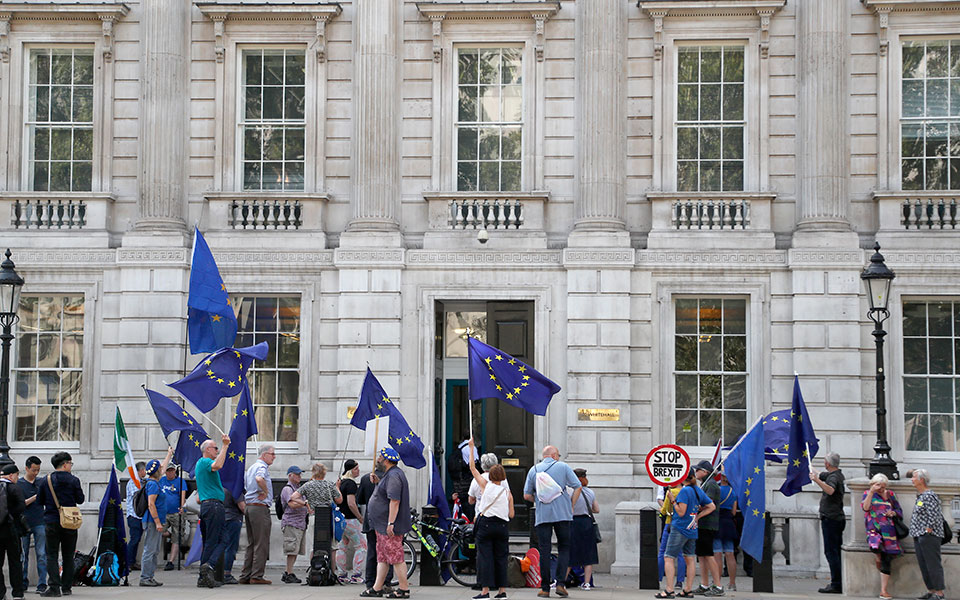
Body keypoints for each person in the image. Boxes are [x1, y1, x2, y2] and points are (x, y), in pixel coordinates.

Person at [523, 445, 581, 599]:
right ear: (554, 455)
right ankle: (560, 584)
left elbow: (526, 495)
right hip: (563, 514)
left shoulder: (534, 470)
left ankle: (545, 588)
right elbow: (578, 486)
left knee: (544, 550)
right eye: (558, 455)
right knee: (564, 548)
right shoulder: (563, 467)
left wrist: (539, 499)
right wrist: (571, 505)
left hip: (543, 515)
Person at [362, 447, 411, 599]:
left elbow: (394, 501)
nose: (377, 460)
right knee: (382, 557)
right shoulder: (388, 475)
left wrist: (391, 522)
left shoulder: (394, 476)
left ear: (387, 461)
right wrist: (378, 482)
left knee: (396, 557)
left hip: (388, 526)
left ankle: (403, 589)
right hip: (381, 525)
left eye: (380, 458)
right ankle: (377, 588)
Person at [467, 438, 513, 600]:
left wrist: (471, 448)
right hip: (502, 526)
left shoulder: (485, 486)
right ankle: (502, 591)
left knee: (485, 557)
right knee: (501, 557)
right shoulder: (507, 493)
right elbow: (511, 514)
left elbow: (472, 468)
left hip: (486, 524)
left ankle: (485, 591)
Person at [659, 471, 715, 599]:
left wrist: (673, 501)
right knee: (689, 558)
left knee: (669, 557)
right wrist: (698, 517)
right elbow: (711, 506)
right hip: (692, 528)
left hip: (680, 527)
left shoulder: (685, 491)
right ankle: (688, 589)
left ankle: (669, 590)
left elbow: (681, 511)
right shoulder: (697, 490)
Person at [36, 451, 84, 598]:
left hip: (51, 520)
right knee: (68, 555)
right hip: (70, 521)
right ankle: (67, 587)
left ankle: (54, 587)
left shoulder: (46, 480)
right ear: (65, 464)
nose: (71, 466)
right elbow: (80, 499)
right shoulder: (74, 480)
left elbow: (39, 501)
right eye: (70, 463)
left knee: (51, 555)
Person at [195, 434, 231, 589]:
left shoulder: (200, 464)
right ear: (207, 450)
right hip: (214, 506)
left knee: (209, 542)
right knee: (223, 539)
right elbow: (218, 465)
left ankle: (203, 577)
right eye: (215, 448)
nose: (217, 450)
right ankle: (209, 565)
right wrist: (225, 446)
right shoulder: (205, 462)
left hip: (207, 505)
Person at [860, 473, 902, 600]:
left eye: (883, 487)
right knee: (876, 549)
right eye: (879, 486)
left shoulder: (890, 494)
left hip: (889, 531)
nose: (881, 489)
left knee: (886, 558)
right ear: (873, 484)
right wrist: (872, 492)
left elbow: (899, 510)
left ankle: (883, 590)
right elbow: (865, 508)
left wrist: (893, 513)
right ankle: (878, 558)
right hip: (874, 529)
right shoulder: (868, 493)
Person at [240, 444, 276, 585]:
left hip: (250, 506)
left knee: (252, 543)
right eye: (272, 454)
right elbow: (259, 479)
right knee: (261, 543)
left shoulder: (251, 468)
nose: (274, 457)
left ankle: (246, 574)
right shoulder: (262, 467)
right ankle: (256, 575)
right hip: (259, 507)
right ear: (264, 454)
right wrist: (266, 492)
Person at [810, 451, 845, 594]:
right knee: (835, 551)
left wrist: (817, 481)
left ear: (827, 463)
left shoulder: (834, 477)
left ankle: (836, 584)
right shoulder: (835, 474)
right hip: (835, 518)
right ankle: (839, 581)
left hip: (831, 518)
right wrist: (809, 466)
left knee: (831, 552)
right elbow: (820, 474)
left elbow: (830, 490)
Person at [139, 448, 175, 587]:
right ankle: (145, 577)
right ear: (156, 471)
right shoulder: (153, 485)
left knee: (154, 550)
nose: (162, 469)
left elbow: (163, 467)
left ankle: (150, 576)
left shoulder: (155, 481)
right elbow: (151, 504)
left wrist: (169, 454)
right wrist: (158, 522)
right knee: (150, 550)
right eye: (159, 468)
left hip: (154, 521)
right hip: (152, 522)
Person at [357, 457, 393, 593]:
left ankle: (370, 582)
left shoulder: (366, 478)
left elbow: (360, 499)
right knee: (387, 553)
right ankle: (386, 582)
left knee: (372, 552)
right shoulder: (390, 478)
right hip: (385, 520)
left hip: (371, 519)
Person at [908, 469, 944, 600]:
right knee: (924, 565)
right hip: (919, 535)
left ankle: (939, 593)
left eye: (914, 477)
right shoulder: (921, 496)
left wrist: (928, 530)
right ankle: (931, 591)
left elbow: (934, 515)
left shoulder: (929, 495)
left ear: (921, 480)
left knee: (933, 564)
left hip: (929, 536)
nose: (912, 480)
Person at [692, 460, 723, 596]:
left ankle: (718, 586)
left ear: (705, 472)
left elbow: (707, 504)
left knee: (709, 555)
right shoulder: (705, 484)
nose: (695, 472)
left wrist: (695, 510)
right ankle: (704, 584)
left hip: (708, 524)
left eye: (698, 470)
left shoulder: (711, 484)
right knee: (702, 555)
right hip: (703, 525)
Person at [17, 456, 47, 594]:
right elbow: (20, 504)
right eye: (33, 470)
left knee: (41, 553)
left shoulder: (41, 482)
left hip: (40, 521)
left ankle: (42, 583)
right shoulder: (19, 484)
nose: (36, 473)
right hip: (24, 522)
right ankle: (23, 582)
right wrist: (35, 497)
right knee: (23, 554)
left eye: (38, 470)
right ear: (27, 468)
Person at [567, 467, 599, 591]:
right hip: (587, 523)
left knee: (570, 554)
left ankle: (561, 581)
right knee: (588, 555)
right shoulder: (590, 492)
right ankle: (586, 583)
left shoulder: (570, 492)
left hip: (573, 522)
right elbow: (596, 509)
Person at [335, 459, 366, 584]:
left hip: (340, 520)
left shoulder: (340, 483)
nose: (358, 471)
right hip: (351, 520)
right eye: (356, 469)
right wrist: (360, 517)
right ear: (351, 470)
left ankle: (342, 574)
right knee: (362, 546)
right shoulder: (351, 484)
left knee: (342, 547)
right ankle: (356, 575)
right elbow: (351, 503)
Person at [1, 463, 27, 600]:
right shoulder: (14, 488)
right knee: (15, 562)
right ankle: (17, 593)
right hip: (12, 530)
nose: (18, 477)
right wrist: (11, 516)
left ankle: (1, 593)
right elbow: (21, 506)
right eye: (17, 475)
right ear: (11, 475)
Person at [279, 465, 307, 584]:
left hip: (300, 523)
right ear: (290, 475)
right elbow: (291, 504)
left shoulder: (299, 489)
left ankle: (288, 572)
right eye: (297, 474)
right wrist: (304, 503)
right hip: (291, 523)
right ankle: (289, 573)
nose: (299, 476)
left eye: (300, 474)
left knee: (295, 550)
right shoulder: (287, 489)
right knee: (291, 550)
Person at [657, 482, 686, 589]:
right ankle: (680, 581)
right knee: (680, 554)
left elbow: (664, 510)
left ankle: (658, 578)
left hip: (669, 523)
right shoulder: (685, 491)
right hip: (681, 524)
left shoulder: (670, 492)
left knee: (662, 552)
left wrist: (662, 510)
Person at [160, 464, 187, 571]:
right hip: (163, 513)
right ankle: (170, 535)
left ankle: (170, 561)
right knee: (159, 531)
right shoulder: (162, 480)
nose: (170, 473)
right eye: (168, 471)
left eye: (172, 471)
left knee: (177, 537)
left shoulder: (180, 481)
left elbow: (183, 495)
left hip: (176, 512)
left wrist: (182, 507)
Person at [713, 473, 737, 592]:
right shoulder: (733, 492)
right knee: (730, 554)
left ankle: (717, 582)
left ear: (722, 477)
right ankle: (732, 583)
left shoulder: (717, 490)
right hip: (729, 523)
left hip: (717, 522)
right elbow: (734, 512)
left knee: (717, 554)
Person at [449, 433, 479, 522]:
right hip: (467, 481)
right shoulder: (471, 448)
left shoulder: (459, 447)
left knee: (460, 503)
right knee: (469, 505)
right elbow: (475, 463)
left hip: (458, 482)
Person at [125, 462, 147, 571]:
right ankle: (128, 562)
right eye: (144, 470)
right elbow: (138, 495)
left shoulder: (142, 482)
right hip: (134, 515)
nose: (145, 472)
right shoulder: (133, 482)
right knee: (134, 539)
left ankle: (132, 561)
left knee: (137, 539)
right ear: (140, 471)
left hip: (140, 516)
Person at [222, 487, 245, 585]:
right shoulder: (235, 488)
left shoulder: (220, 487)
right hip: (233, 518)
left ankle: (219, 573)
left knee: (221, 546)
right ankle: (226, 574)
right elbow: (242, 506)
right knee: (231, 547)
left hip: (221, 517)